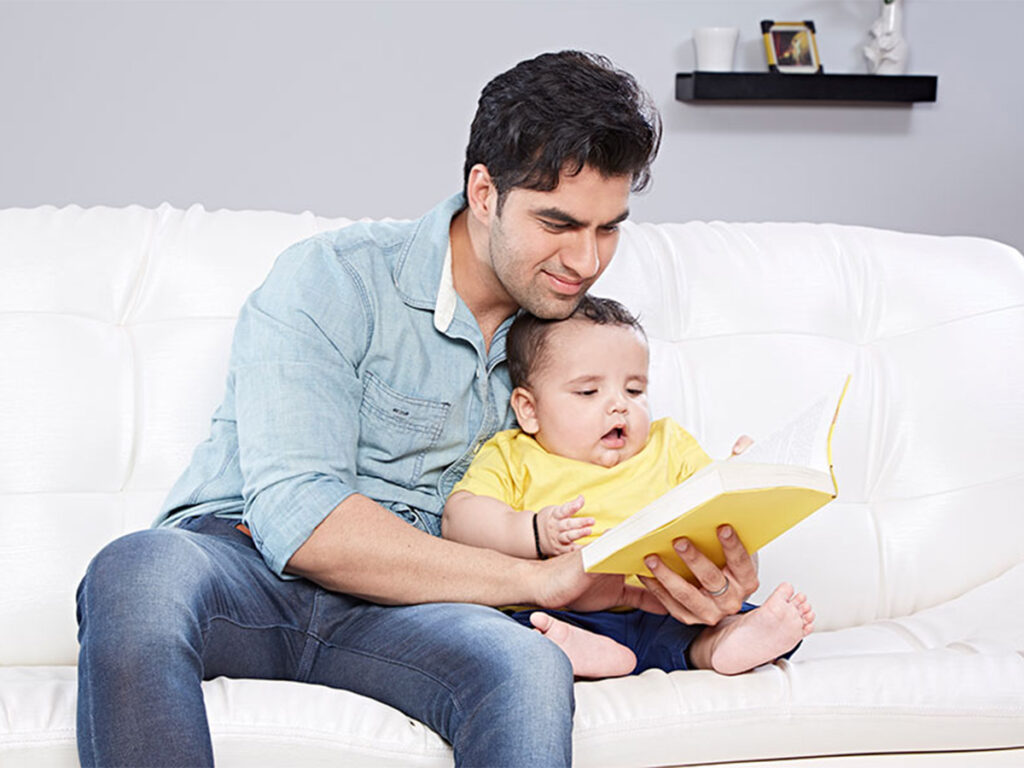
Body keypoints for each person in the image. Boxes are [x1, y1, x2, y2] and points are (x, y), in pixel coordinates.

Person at [75, 50, 761, 768]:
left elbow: (623, 497)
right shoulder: (334, 279)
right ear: (485, 193)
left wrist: (699, 572)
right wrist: (535, 580)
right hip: (248, 574)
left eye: (609, 228)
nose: (586, 261)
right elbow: (301, 520)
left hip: (429, 612)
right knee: (139, 571)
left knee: (525, 665)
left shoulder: (580, 348)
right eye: (558, 223)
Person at [442, 296, 814, 678]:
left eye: (634, 390)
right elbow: (461, 519)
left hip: (664, 608)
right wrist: (535, 531)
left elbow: (713, 507)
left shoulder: (668, 444)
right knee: (515, 630)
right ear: (529, 410)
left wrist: (742, 479)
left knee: (715, 624)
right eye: (589, 392)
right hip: (564, 610)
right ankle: (579, 647)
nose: (619, 405)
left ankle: (727, 645)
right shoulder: (513, 455)